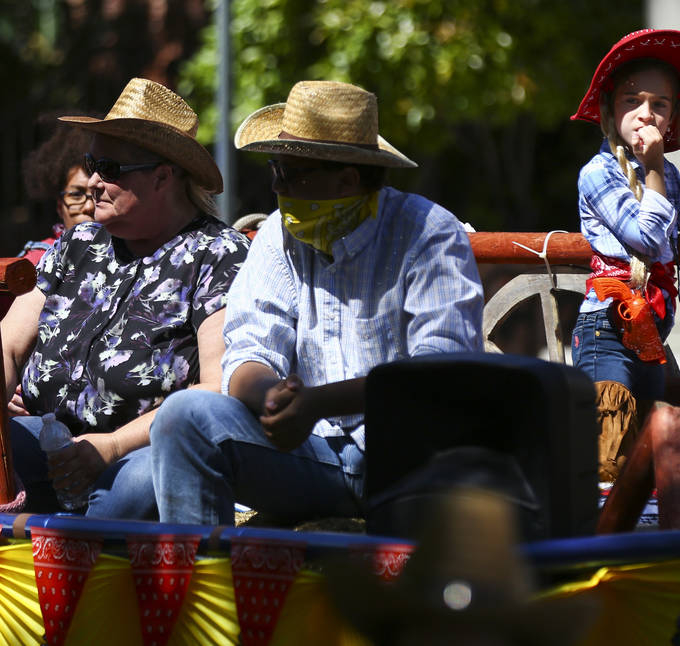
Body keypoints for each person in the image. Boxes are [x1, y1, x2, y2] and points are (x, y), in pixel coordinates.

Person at [149, 80, 485, 525]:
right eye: (274, 169)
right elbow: (249, 347)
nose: (275, 187)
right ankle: (201, 587)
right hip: (312, 454)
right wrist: (274, 400)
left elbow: (439, 375)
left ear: (347, 178)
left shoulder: (428, 232)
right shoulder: (276, 234)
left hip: (411, 466)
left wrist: (315, 404)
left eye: (289, 173)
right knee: (183, 416)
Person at [0, 78, 250, 519]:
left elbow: (216, 387)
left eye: (109, 168)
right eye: (91, 163)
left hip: (137, 450)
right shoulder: (78, 242)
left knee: (124, 494)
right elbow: (5, 349)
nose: (90, 182)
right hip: (47, 440)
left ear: (163, 177)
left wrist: (110, 446)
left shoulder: (218, 254)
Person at [568, 29, 680, 481]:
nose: (645, 114)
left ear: (672, 120)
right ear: (609, 111)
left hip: (650, 329)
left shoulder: (670, 179)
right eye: (632, 101)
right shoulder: (598, 174)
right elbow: (645, 236)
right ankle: (601, 538)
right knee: (611, 437)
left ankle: (648, 531)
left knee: (653, 440)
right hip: (607, 326)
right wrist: (657, 169)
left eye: (659, 105)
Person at [19, 117, 97, 266]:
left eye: (97, 194)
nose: (89, 207)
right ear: (60, 207)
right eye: (76, 195)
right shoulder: (37, 261)